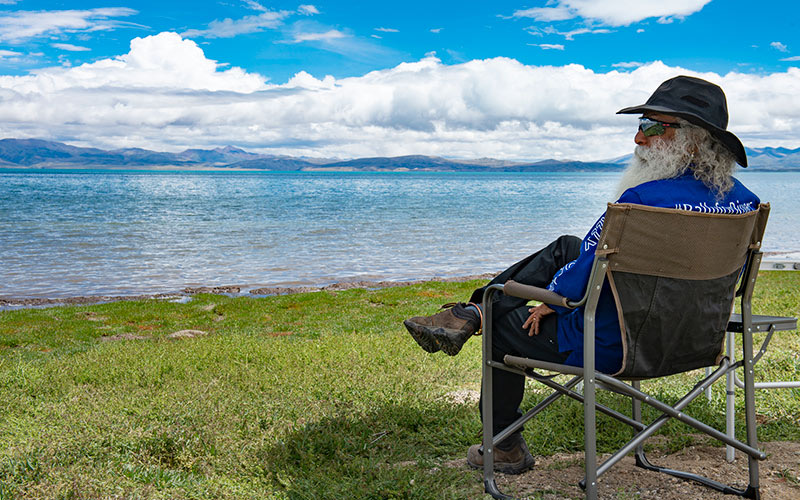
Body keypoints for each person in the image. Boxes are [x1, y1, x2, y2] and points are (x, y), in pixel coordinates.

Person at [403, 75, 760, 474]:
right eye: (640, 127)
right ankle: (470, 314)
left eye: (651, 126)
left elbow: (578, 283)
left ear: (694, 140)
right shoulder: (744, 204)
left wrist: (550, 301)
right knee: (567, 246)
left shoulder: (641, 202)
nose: (638, 140)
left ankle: (502, 440)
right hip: (692, 340)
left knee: (504, 316)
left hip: (615, 342)